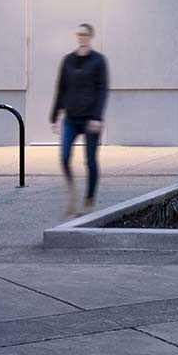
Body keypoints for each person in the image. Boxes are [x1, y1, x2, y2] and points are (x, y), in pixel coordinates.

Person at [50, 23, 108, 215]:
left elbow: (102, 91)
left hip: (91, 119)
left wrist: (97, 117)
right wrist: (54, 116)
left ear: (91, 37)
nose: (81, 37)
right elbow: (61, 89)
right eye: (79, 34)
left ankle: (89, 198)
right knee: (64, 157)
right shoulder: (68, 60)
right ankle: (72, 191)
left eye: (85, 34)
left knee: (90, 161)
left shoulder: (99, 61)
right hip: (71, 119)